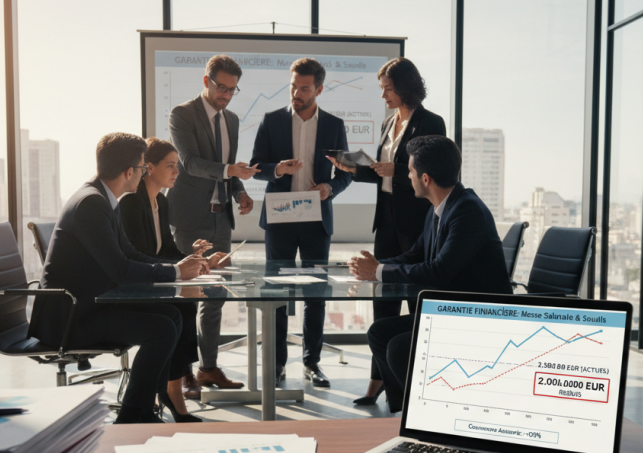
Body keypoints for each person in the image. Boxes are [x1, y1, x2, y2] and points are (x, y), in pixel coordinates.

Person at [29, 133, 207, 424]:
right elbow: (120, 269)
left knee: (172, 315)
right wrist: (175, 272)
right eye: (141, 168)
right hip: (72, 316)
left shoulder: (102, 198)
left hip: (89, 304)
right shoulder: (92, 204)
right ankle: (132, 415)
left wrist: (180, 266)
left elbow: (131, 254)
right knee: (161, 327)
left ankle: (146, 408)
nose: (143, 173)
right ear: (129, 172)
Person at [349, 135, 512, 413]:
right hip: (453, 310)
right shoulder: (439, 207)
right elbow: (416, 255)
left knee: (399, 348)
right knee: (379, 332)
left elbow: (439, 271)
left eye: (410, 172)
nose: (408, 177)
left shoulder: (467, 210)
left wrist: (378, 271)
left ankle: (432, 412)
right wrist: (377, 266)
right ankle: (405, 411)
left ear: (425, 179)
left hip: (478, 315)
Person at [326, 57, 446, 405]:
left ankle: (415, 386)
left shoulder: (430, 121)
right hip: (388, 222)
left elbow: (431, 171)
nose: (383, 96)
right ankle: (378, 382)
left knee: (416, 303)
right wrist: (350, 166)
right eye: (381, 89)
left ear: (405, 86)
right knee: (383, 305)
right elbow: (381, 173)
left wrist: (394, 167)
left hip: (416, 223)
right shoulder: (388, 122)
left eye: (388, 88)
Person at [250, 57, 352, 387]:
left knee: (316, 295)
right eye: (293, 85)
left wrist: (329, 188)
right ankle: (277, 363)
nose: (296, 92)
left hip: (315, 220)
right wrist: (277, 169)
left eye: (303, 88)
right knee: (276, 294)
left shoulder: (335, 125)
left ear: (319, 89)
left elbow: (346, 174)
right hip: (279, 218)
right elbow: (256, 166)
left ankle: (312, 363)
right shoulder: (271, 120)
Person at [119, 137, 228, 419]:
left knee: (185, 304)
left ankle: (173, 386)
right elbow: (140, 256)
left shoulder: (161, 203)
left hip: (153, 278)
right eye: (170, 166)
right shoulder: (132, 203)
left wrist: (198, 259)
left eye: (176, 166)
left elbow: (166, 250)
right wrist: (186, 266)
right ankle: (173, 389)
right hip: (134, 287)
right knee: (181, 307)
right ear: (149, 167)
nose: (176, 172)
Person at [168, 54, 258, 394]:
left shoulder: (232, 119)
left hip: (222, 218)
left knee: (216, 295)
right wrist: (231, 171)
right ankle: (183, 372)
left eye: (233, 90)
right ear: (206, 81)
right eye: (222, 88)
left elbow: (227, 167)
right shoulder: (182, 114)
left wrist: (240, 192)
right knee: (189, 297)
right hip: (191, 218)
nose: (226, 95)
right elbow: (190, 163)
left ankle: (207, 368)